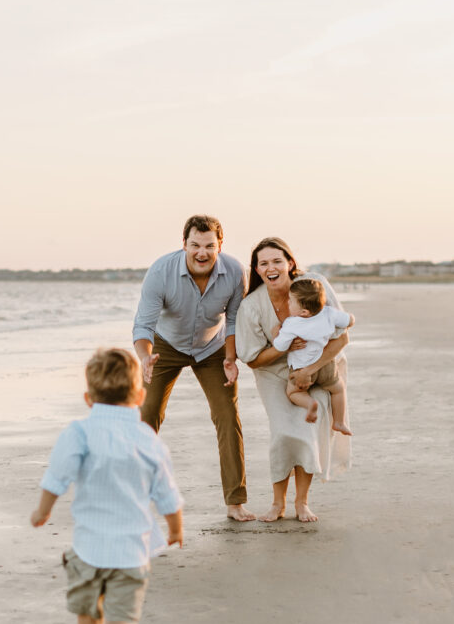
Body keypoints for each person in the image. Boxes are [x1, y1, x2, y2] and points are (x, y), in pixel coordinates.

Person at [30, 348, 183, 624]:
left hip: (88, 549)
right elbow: (167, 493)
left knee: (89, 612)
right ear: (140, 395)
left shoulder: (79, 433)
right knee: (123, 618)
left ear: (88, 398)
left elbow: (57, 476)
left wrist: (42, 511)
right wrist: (175, 529)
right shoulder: (149, 440)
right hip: (131, 551)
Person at [133, 215, 255, 521]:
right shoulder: (161, 271)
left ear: (220, 245)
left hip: (212, 349)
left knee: (228, 416)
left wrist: (230, 358)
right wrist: (144, 358)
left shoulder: (236, 272)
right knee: (147, 415)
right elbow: (144, 325)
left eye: (209, 246)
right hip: (165, 347)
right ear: (184, 244)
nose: (202, 253)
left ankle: (235, 502)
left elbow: (234, 320)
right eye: (195, 245)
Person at [234, 238, 351, 524]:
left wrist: (311, 369)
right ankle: (277, 504)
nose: (271, 268)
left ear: (290, 263)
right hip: (273, 372)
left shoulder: (313, 286)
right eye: (263, 263)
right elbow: (251, 359)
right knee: (284, 431)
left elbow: (342, 337)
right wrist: (282, 348)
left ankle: (302, 503)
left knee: (307, 429)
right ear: (257, 270)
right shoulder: (251, 306)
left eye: (277, 261)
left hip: (321, 366)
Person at [271, 277, 355, 434]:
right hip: (325, 366)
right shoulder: (329, 313)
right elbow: (349, 321)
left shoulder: (291, 324)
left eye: (290, 301)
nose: (287, 303)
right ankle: (339, 422)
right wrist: (350, 318)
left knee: (293, 392)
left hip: (300, 368)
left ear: (303, 312)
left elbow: (280, 346)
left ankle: (310, 404)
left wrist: (276, 333)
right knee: (338, 389)